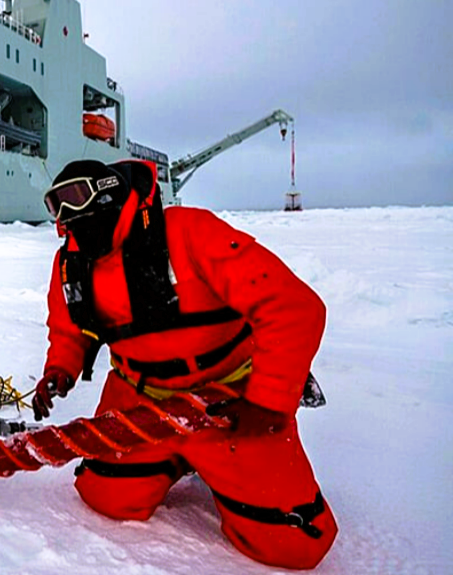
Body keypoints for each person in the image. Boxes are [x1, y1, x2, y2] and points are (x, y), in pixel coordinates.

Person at [33, 158, 337, 569]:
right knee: (104, 496)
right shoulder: (71, 263)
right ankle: (177, 457)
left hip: (228, 399)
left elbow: (293, 308)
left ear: (107, 192)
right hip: (139, 394)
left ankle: (218, 459)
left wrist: (267, 401)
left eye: (74, 199)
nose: (66, 216)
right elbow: (70, 328)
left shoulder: (190, 233)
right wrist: (60, 369)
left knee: (296, 542)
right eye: (56, 205)